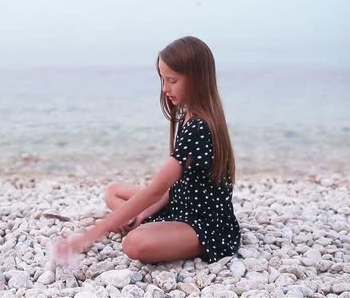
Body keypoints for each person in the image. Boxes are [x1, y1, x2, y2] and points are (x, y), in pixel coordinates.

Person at [53, 35, 241, 264]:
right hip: (179, 204)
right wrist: (142, 214)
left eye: (172, 80)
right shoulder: (187, 117)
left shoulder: (200, 128)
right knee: (113, 191)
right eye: (163, 80)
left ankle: (167, 234)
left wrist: (90, 235)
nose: (165, 89)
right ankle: (153, 226)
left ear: (197, 79)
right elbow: (170, 188)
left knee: (134, 243)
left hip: (206, 223)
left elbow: (154, 190)